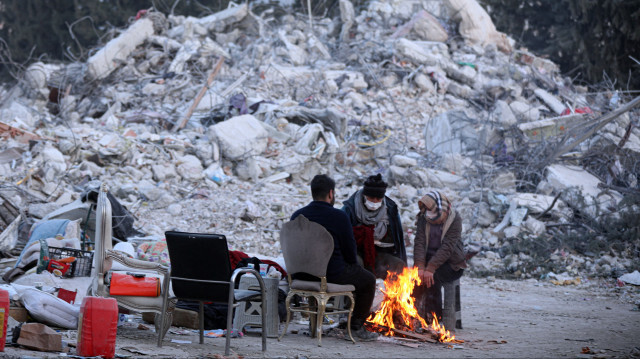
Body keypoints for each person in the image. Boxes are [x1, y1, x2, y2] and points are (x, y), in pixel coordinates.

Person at [290, 174, 378, 341]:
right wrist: (353, 265)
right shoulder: (339, 217)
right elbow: (350, 253)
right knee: (368, 280)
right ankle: (356, 327)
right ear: (331, 193)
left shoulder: (297, 216)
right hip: (331, 274)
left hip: (300, 275)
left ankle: (317, 323)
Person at [412, 190, 467, 323]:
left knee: (432, 280)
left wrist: (430, 268)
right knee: (414, 280)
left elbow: (448, 247)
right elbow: (419, 242)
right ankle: (413, 318)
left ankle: (435, 320)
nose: (432, 219)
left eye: (435, 216)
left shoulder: (455, 219)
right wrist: (420, 266)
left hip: (451, 263)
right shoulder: (423, 217)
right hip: (428, 260)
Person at [342, 174, 407, 279]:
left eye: (378, 199)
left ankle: (393, 295)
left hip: (380, 254)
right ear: (364, 195)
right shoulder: (350, 208)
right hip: (356, 253)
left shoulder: (390, 210)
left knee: (398, 265)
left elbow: (397, 239)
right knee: (356, 264)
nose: (375, 202)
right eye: (371, 198)